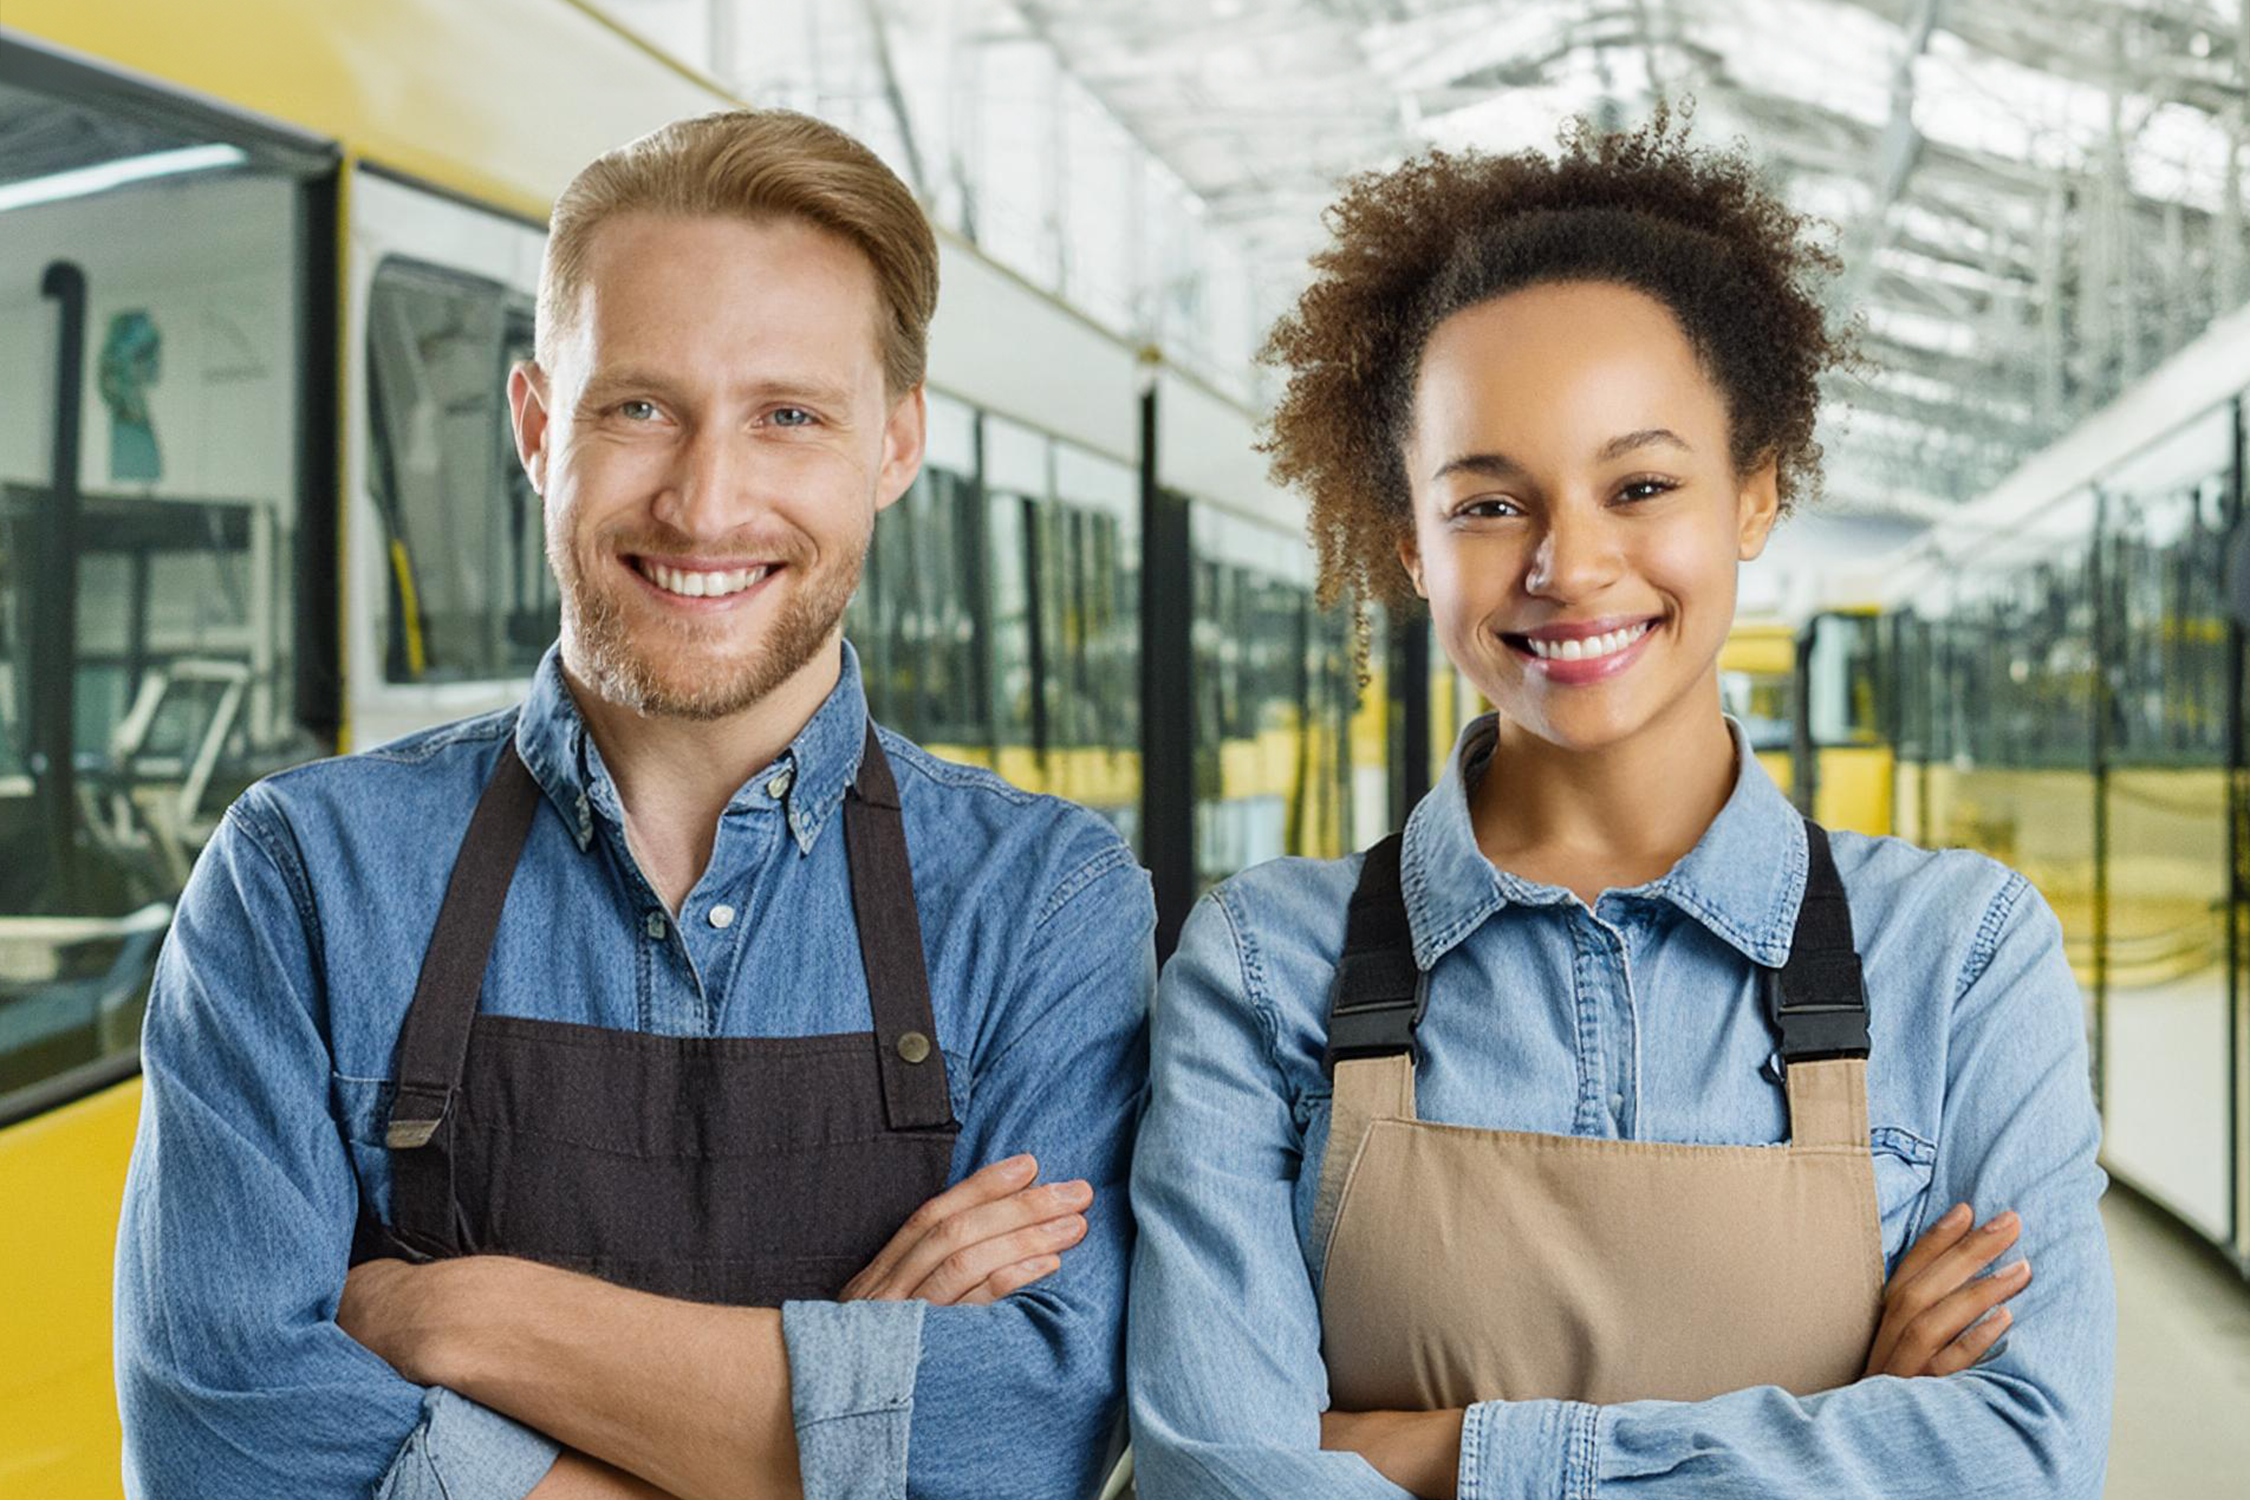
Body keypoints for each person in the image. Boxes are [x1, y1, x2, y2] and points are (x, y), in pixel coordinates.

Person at [115, 110, 1151, 1500]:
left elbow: (1030, 1443)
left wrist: (464, 1319)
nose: (706, 501)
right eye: (640, 407)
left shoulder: (1048, 902)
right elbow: (222, 1445)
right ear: (542, 427)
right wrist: (846, 1401)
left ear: (893, 446)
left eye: (788, 415)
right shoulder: (303, 878)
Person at [1125, 111, 2113, 1499]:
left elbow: (2021, 1457)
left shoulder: (1958, 954)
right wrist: (1844, 1425)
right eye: (1486, 506)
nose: (1569, 565)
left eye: (1639, 485)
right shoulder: (1256, 962)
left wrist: (1420, 1453)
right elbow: (1217, 1476)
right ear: (1407, 539)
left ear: (1754, 497)